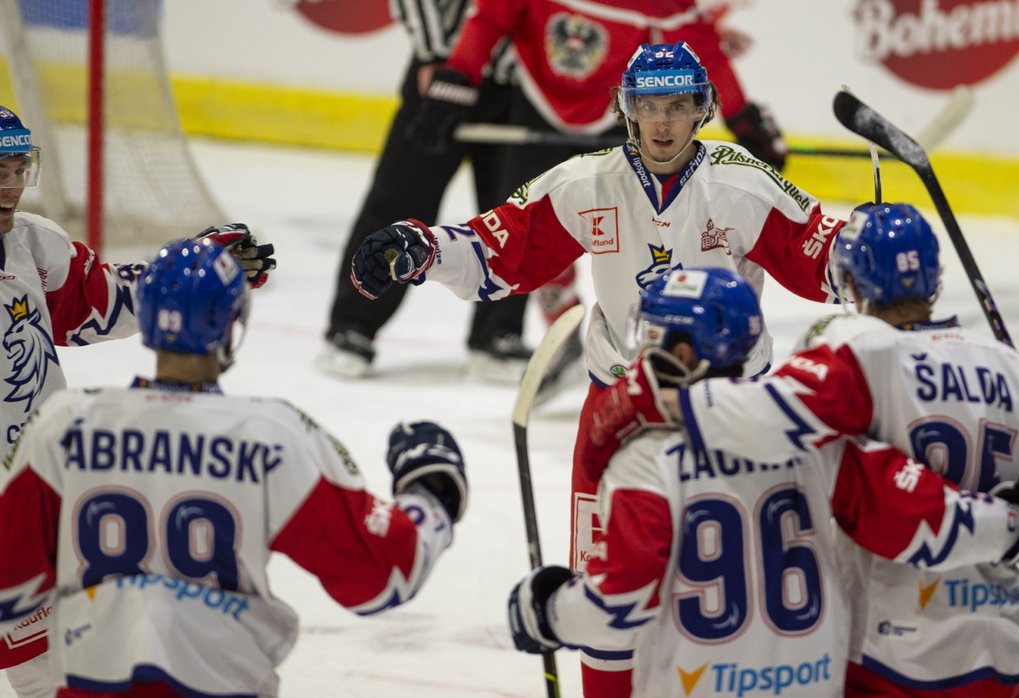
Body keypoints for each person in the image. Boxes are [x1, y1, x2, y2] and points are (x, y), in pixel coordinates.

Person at [350, 41, 847, 689]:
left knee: (742, 594)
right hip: (618, 413)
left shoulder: (743, 182)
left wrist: (876, 249)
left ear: (702, 111)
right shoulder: (586, 181)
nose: (662, 123)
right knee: (604, 596)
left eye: (677, 106)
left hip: (736, 418)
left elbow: (825, 258)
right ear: (626, 109)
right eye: (648, 107)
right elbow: (495, 250)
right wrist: (422, 247)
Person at [505, 266, 1019, 697]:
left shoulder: (646, 462)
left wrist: (547, 610)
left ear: (685, 353)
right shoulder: (824, 445)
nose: (642, 349)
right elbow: (927, 515)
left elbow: (618, 608)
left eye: (652, 335)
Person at [0, 238, 469, 697]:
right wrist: (430, 492)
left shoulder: (62, 427)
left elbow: (8, 586)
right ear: (231, 327)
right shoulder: (270, 437)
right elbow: (382, 575)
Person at [0, 105, 276, 698]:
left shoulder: (35, 246)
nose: (11, 186)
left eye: (18, 166)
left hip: (32, 497)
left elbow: (106, 300)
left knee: (54, 674)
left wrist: (194, 270)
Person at [408, 0, 789, 393]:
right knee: (531, 226)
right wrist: (457, 77)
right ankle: (541, 326)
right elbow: (492, 14)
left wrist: (741, 114)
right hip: (542, 99)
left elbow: (695, 42)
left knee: (635, 233)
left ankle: (645, 343)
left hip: (621, 114)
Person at [767, 202, 1019, 696]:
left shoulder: (858, 351)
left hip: (890, 653)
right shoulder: (1017, 371)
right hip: (1000, 652)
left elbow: (765, 422)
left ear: (851, 282)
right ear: (934, 280)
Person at [317, 0, 535, 383]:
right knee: (399, 202)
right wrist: (435, 53)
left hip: (523, 87)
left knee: (516, 213)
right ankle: (354, 324)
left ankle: (496, 332)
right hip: (446, 74)